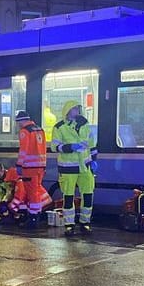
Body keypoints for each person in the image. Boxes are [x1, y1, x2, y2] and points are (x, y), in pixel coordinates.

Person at [51, 101, 98, 236]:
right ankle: (69, 224)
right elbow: (55, 147)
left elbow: (92, 144)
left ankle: (85, 222)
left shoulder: (85, 125)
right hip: (68, 167)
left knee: (88, 194)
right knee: (68, 197)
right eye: (74, 109)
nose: (77, 110)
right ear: (68, 111)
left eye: (78, 108)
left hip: (85, 166)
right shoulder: (59, 127)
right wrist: (69, 147)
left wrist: (94, 160)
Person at [15, 110, 51, 228]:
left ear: (21, 121)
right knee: (36, 191)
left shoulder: (24, 131)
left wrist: (19, 165)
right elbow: (44, 148)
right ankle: (36, 215)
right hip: (40, 166)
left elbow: (23, 150)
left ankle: (33, 218)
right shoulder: (40, 130)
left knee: (32, 193)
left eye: (18, 122)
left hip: (29, 167)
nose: (18, 125)